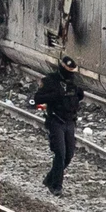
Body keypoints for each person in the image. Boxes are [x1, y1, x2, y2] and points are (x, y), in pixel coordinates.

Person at [31, 59, 86, 195]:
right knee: (60, 153)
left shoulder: (73, 82)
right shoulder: (50, 80)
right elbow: (37, 98)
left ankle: (50, 179)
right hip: (56, 121)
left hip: (70, 121)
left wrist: (77, 93)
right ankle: (56, 186)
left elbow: (78, 97)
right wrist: (57, 95)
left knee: (69, 155)